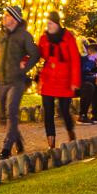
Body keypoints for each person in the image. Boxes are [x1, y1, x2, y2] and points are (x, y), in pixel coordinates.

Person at [0, 3, 41, 156]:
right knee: (2, 114)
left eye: (7, 16)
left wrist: (24, 69)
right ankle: (16, 139)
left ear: (15, 19)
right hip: (1, 80)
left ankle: (6, 148)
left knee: (11, 111)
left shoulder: (24, 36)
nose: (4, 18)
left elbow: (35, 54)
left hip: (17, 81)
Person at [36, 12, 82, 148]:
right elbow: (38, 54)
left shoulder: (68, 38)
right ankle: (51, 142)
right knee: (48, 111)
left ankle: (70, 132)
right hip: (48, 79)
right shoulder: (44, 38)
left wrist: (75, 82)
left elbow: (75, 60)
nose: (48, 26)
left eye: (51, 23)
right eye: (47, 23)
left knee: (64, 110)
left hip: (64, 81)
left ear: (57, 24)